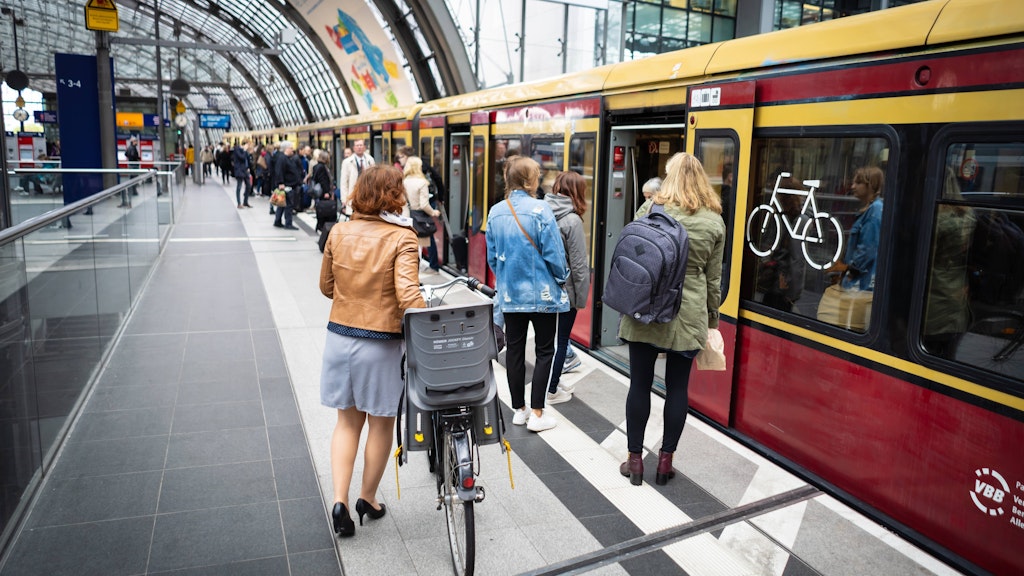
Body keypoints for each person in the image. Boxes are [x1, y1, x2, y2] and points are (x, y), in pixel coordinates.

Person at [319, 164, 426, 538]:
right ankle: (368, 498)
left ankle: (339, 501)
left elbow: (326, 288)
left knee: (346, 423)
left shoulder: (339, 231)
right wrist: (430, 322)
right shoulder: (403, 238)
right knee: (380, 423)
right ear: (394, 195)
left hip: (339, 338)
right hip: (380, 344)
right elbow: (408, 295)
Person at [618, 152, 725, 486]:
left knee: (639, 384)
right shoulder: (713, 221)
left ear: (670, 177)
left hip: (646, 308)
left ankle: (635, 461)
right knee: (678, 388)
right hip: (687, 314)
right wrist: (712, 322)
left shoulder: (650, 209)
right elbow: (713, 280)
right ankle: (665, 464)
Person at [486, 156, 569, 432]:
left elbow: (492, 258)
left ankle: (519, 410)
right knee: (545, 350)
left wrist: (506, 279)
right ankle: (537, 412)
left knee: (514, 351)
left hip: (511, 295)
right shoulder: (540, 210)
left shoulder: (496, 212)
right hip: (543, 295)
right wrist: (562, 278)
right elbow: (554, 253)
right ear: (529, 180)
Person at [544, 171, 591, 404]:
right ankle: (552, 390)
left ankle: (550, 379)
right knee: (561, 340)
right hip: (565, 291)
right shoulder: (572, 220)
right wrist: (581, 299)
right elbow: (580, 265)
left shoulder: (541, 210)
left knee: (546, 341)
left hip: (542, 288)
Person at [923, 168, 976, 357]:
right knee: (947, 356)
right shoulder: (967, 214)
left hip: (934, 302)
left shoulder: (937, 219)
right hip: (957, 297)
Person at [830, 167, 884, 291]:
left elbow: (867, 250)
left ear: (870, 185)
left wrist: (850, 271)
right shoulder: (871, 210)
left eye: (858, 183)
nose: (852, 186)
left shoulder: (874, 211)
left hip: (860, 282)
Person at [759, 177, 805, 312]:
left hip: (780, 281)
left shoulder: (787, 218)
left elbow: (793, 256)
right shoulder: (790, 216)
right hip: (781, 281)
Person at [403, 156, 441, 273]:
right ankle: (428, 268)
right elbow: (424, 204)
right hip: (420, 217)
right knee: (424, 244)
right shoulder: (422, 182)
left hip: (406, 216)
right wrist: (433, 212)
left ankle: (410, 271)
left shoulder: (403, 181)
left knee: (409, 246)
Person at [339, 139, 375, 217]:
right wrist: (344, 199)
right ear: (354, 148)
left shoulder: (370, 160)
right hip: (353, 195)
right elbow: (344, 182)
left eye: (361, 145)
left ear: (364, 147)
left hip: (367, 195)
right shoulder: (347, 162)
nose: (359, 147)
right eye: (357, 145)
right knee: (353, 217)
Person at [273, 141, 303, 230]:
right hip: (287, 185)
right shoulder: (282, 158)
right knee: (289, 204)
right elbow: (279, 171)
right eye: (291, 148)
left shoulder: (285, 158)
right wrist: (280, 183)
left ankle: (277, 221)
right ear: (286, 149)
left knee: (282, 204)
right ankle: (288, 223)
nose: (292, 150)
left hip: (288, 184)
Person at [312, 151, 337, 233]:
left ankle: (320, 224)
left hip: (319, 192)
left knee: (320, 208)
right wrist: (327, 192)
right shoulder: (322, 167)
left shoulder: (316, 166)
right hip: (323, 192)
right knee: (325, 208)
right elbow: (323, 180)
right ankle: (322, 225)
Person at [232, 139, 253, 208]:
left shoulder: (245, 151)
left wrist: (248, 167)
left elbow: (247, 159)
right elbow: (242, 157)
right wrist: (244, 150)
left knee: (248, 185)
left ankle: (245, 201)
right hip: (240, 170)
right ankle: (239, 203)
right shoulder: (237, 149)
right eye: (248, 145)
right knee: (239, 186)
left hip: (245, 170)